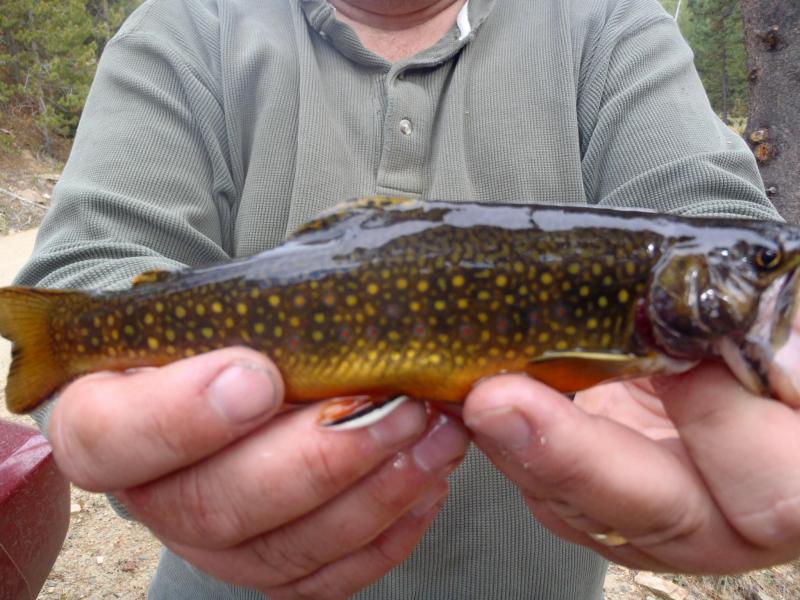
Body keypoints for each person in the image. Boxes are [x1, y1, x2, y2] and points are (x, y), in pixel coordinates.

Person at [16, 0, 800, 598]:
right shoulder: (186, 26)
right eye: (764, 264)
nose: (771, 271)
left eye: (761, 266)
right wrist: (105, 404)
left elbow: (710, 210)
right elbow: (90, 261)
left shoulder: (608, 23)